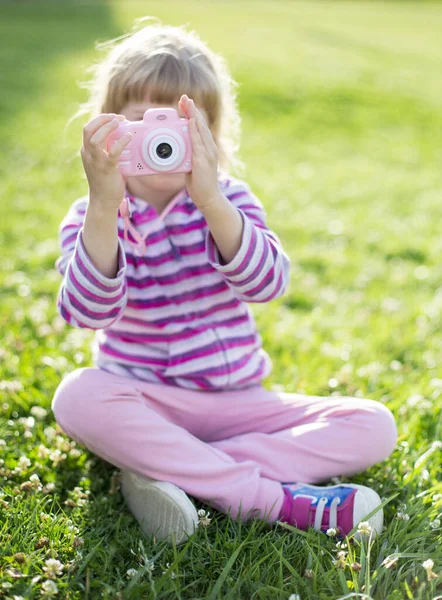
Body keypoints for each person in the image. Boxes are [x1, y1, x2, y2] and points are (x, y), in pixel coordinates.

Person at [51, 18, 397, 546]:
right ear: (109, 128)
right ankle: (264, 498)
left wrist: (212, 200)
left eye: (184, 125)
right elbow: (86, 314)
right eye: (147, 123)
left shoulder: (227, 198)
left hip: (237, 401)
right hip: (146, 401)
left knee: (374, 424)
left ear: (213, 135)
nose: (165, 140)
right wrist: (103, 204)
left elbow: (268, 284)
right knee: (76, 395)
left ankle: (175, 470)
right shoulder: (93, 213)